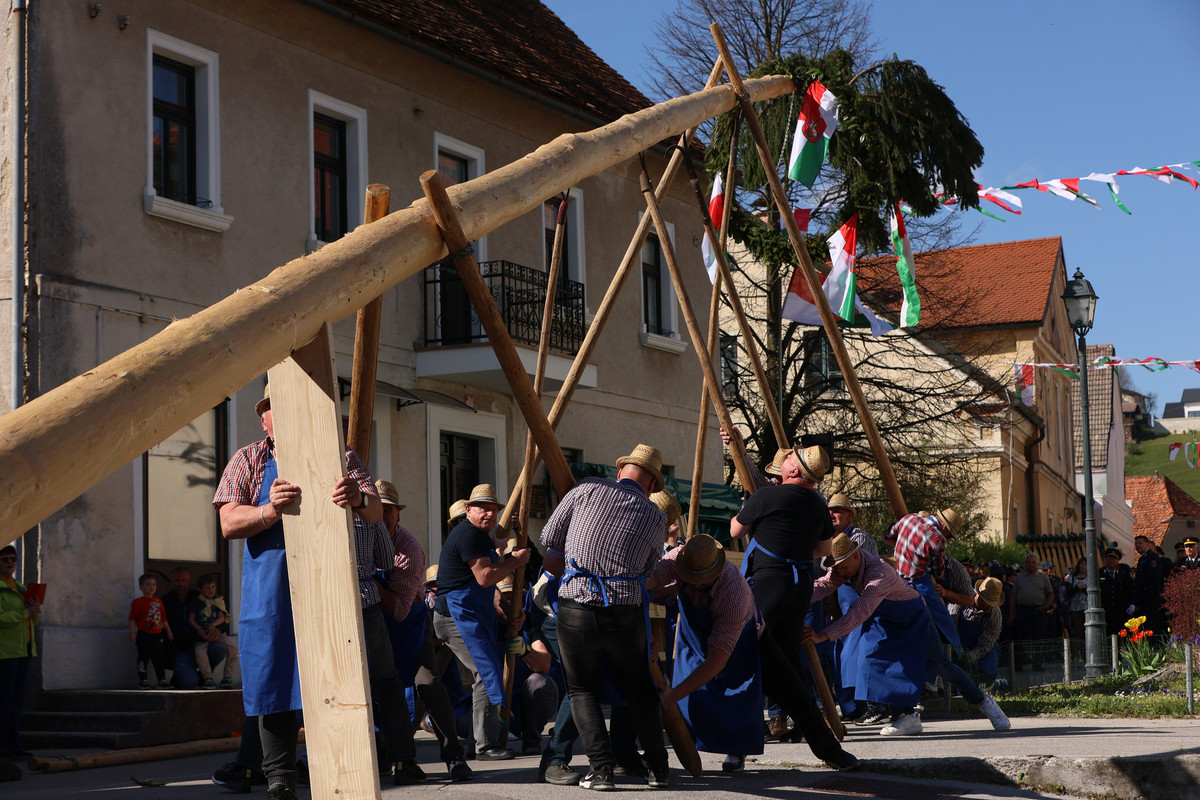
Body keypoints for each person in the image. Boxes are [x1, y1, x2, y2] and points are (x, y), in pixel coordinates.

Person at [213, 384, 382, 800]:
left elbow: (376, 510)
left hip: (328, 583)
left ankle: (342, 773)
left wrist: (358, 496)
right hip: (269, 588)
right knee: (273, 678)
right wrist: (269, 510)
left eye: (291, 405)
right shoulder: (248, 459)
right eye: (275, 408)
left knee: (335, 673)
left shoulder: (342, 457)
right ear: (264, 419)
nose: (284, 414)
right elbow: (229, 522)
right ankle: (280, 779)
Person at [541, 443, 671, 791]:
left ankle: (601, 771)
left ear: (621, 470)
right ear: (652, 485)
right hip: (624, 610)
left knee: (582, 690)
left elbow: (549, 537)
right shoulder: (655, 516)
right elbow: (647, 570)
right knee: (640, 687)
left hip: (576, 605)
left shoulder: (585, 489)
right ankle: (658, 769)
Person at [730, 446, 860, 752]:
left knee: (748, 653)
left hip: (770, 583)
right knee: (788, 658)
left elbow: (735, 530)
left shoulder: (766, 497)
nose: (785, 457)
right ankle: (812, 731)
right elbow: (824, 551)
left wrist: (757, 516)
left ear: (792, 471)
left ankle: (741, 737)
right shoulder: (818, 504)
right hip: (801, 586)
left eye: (789, 458)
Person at [884, 509, 1009, 735]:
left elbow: (888, 537)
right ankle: (905, 715)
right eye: (950, 536)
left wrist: (905, 554)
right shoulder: (937, 540)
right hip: (912, 593)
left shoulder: (908, 519)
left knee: (939, 663)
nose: (948, 541)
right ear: (944, 528)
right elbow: (939, 572)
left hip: (914, 596)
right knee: (902, 657)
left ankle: (984, 703)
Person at [376, 482, 470, 782]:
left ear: (398, 514)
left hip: (409, 624)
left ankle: (454, 754)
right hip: (374, 624)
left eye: (388, 510)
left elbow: (399, 610)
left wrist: (369, 581)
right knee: (375, 691)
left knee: (427, 684)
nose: (381, 515)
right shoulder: (358, 539)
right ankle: (383, 757)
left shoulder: (409, 548)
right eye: (376, 509)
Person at [433, 483, 530, 762]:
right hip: (455, 617)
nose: (488, 514)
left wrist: (508, 611)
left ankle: (480, 741)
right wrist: (515, 562)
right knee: (487, 676)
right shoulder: (470, 535)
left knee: (486, 675)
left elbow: (493, 566)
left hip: (469, 614)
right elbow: (485, 577)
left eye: (492, 509)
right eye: (482, 508)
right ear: (468, 510)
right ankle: (485, 746)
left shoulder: (479, 536)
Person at [805, 533, 928, 732]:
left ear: (855, 556)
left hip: (909, 616)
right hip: (883, 616)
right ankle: (896, 713)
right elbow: (825, 584)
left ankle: (908, 716)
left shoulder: (879, 573)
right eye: (837, 568)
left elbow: (858, 613)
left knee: (907, 666)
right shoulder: (843, 566)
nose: (840, 572)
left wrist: (822, 635)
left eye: (843, 567)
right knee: (870, 658)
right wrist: (796, 595)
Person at [826, 492, 878, 722]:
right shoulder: (828, 540)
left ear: (849, 516)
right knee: (840, 655)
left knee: (855, 655)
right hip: (839, 606)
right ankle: (850, 708)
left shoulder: (859, 538)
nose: (832, 515)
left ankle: (866, 706)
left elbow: (857, 574)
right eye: (830, 511)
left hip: (859, 604)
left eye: (837, 511)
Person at [1, 544, 40, 771]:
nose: (10, 563)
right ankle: (3, 747)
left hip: (24, 650)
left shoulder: (21, 587)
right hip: (5, 652)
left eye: (13, 559)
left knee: (16, 701)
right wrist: (26, 612)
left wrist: (35, 611)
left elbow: (32, 620)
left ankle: (15, 745)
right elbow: (1, 618)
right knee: (4, 701)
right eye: (5, 559)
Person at [162, 566, 227, 690]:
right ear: (171, 582)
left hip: (204, 643)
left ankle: (206, 678)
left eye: (184, 580)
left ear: (190, 581)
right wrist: (202, 635)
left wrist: (219, 629)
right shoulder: (165, 601)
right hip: (181, 648)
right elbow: (174, 629)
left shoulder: (201, 596)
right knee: (189, 683)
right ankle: (182, 676)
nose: (181, 584)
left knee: (220, 648)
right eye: (177, 581)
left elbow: (222, 615)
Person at [187, 573, 238, 689]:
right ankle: (208, 678)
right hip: (202, 635)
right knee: (200, 653)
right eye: (207, 587)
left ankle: (227, 676)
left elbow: (222, 617)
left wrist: (213, 626)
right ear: (200, 589)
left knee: (234, 648)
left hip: (217, 633)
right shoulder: (197, 602)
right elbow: (191, 619)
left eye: (213, 587)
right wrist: (199, 628)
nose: (211, 590)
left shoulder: (217, 601)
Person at [129, 574, 173, 688]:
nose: (151, 587)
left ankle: (162, 679)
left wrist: (168, 630)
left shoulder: (159, 601)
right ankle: (143, 679)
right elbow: (132, 619)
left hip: (157, 635)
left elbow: (163, 618)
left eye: (154, 584)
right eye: (148, 584)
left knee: (159, 658)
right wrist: (132, 633)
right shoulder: (137, 602)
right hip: (144, 635)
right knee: (143, 658)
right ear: (141, 587)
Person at [1008, 553, 1054, 664]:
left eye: (1033, 562)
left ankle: (1037, 663)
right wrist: (1012, 614)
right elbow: (1013, 596)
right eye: (1029, 562)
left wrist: (1047, 605)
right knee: (1020, 638)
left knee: (1039, 637)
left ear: (1037, 564)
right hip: (1022, 610)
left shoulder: (1043, 578)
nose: (1031, 564)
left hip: (1038, 611)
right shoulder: (1019, 578)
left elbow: (1051, 593)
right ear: (1026, 564)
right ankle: (1020, 663)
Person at [1131, 535, 1169, 639]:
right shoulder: (1143, 558)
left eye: (1140, 543)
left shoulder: (1152, 557)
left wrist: (1140, 600)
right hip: (1144, 600)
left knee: (1152, 628)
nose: (1137, 545)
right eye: (1136, 544)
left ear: (1147, 544)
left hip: (1150, 600)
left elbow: (1152, 581)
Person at [1098, 548, 1134, 636]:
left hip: (1120, 610)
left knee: (1121, 633)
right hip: (1105, 609)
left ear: (1118, 561)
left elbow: (1130, 589)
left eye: (1114, 559)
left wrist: (1131, 603)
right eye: (1109, 559)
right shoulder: (1100, 573)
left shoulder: (1123, 574)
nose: (1111, 561)